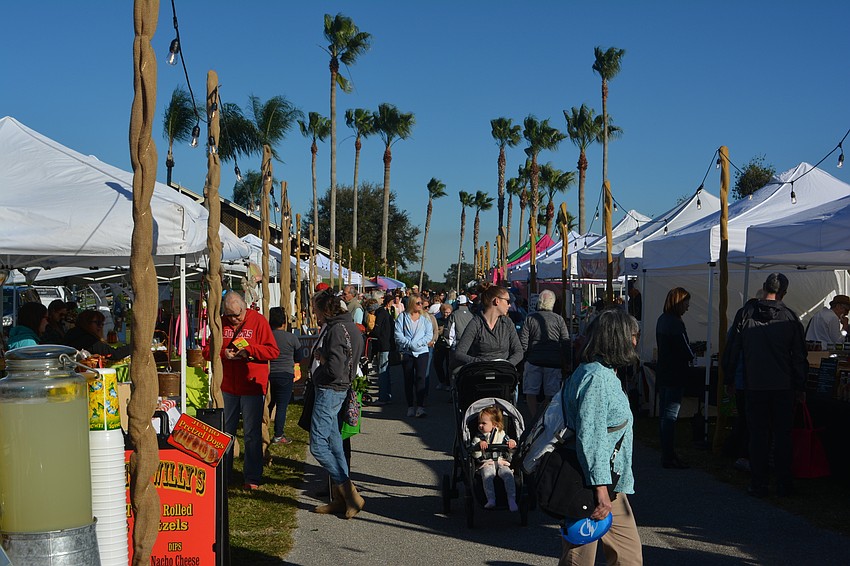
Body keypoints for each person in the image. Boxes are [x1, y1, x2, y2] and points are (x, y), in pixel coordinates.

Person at [560, 308, 642, 566]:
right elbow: (591, 435)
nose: (635, 341)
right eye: (632, 335)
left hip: (608, 482)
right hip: (593, 485)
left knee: (628, 557)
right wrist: (600, 488)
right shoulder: (596, 378)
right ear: (616, 338)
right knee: (579, 559)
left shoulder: (603, 372)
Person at [728, 273, 807, 498]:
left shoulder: (746, 314)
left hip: (755, 385)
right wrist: (801, 387)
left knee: (758, 436)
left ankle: (759, 483)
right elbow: (799, 357)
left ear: (763, 288)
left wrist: (730, 378)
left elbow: (734, 348)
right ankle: (783, 483)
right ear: (784, 293)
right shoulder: (790, 318)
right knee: (782, 436)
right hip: (783, 386)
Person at [203, 291, 279, 490]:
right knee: (226, 432)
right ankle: (224, 475)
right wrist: (223, 353)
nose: (235, 319)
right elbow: (206, 351)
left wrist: (251, 350)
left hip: (252, 386)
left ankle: (252, 478)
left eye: (238, 314)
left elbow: (273, 351)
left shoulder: (259, 321)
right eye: (231, 316)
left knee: (251, 433)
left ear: (245, 308)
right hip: (228, 387)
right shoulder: (220, 323)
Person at [308, 288, 366, 518]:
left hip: (330, 389)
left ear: (324, 310)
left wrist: (321, 359)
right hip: (339, 389)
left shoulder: (336, 330)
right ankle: (341, 499)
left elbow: (334, 368)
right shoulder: (349, 326)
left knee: (318, 445)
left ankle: (349, 493)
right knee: (334, 443)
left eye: (316, 310)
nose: (315, 315)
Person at [655, 287, 694, 469]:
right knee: (670, 415)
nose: (687, 306)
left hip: (664, 372)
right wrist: (692, 355)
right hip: (675, 373)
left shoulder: (662, 320)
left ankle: (666, 453)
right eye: (686, 302)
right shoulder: (675, 323)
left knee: (665, 414)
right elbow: (685, 350)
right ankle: (669, 455)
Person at [519, 289, 571, 419]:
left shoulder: (530, 318)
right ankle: (545, 416)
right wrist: (568, 361)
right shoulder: (559, 319)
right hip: (553, 362)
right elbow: (565, 341)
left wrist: (524, 359)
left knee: (531, 392)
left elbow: (523, 342)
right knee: (551, 393)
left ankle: (534, 417)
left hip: (533, 360)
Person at [454, 284, 523, 367]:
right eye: (507, 301)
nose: (510, 305)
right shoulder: (476, 323)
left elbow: (518, 351)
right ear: (497, 301)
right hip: (481, 373)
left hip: (503, 373)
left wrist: (507, 365)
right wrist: (480, 363)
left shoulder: (507, 323)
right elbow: (459, 353)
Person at [471, 405, 518, 511]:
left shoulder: (502, 434)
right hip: (487, 462)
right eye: (479, 423)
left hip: (502, 462)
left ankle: (511, 499)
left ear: (494, 424)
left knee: (508, 475)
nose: (480, 426)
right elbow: (474, 453)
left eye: (484, 423)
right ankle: (491, 499)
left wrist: (512, 444)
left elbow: (512, 448)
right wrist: (479, 445)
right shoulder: (479, 437)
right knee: (487, 475)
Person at [394, 291, 432, 417]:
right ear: (411, 304)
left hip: (422, 352)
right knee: (408, 379)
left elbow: (429, 335)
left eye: (421, 303)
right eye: (418, 303)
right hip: (408, 352)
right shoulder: (402, 317)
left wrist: (419, 343)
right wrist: (409, 344)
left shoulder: (425, 318)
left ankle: (420, 406)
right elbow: (398, 334)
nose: (421, 305)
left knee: (421, 378)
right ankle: (410, 406)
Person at [268, 307, 302, 445]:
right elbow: (299, 357)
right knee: (281, 406)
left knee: (268, 404)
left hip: (269, 374)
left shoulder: (267, 336)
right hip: (285, 375)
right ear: (284, 321)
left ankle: (260, 429)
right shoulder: (291, 338)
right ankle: (278, 435)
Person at [63, 310, 132, 359]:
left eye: (102, 323)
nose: (100, 326)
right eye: (97, 323)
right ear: (86, 323)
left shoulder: (72, 333)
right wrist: (134, 346)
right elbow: (114, 354)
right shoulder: (87, 339)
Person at [370, 294, 395, 405]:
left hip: (383, 345)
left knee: (382, 371)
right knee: (386, 371)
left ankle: (383, 397)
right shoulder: (387, 313)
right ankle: (387, 395)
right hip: (388, 344)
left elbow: (377, 330)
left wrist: (369, 334)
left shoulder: (380, 313)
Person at [433, 302, 453, 391]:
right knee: (437, 363)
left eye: (448, 313)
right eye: (445, 312)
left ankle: (449, 383)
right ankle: (442, 380)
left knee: (449, 365)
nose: (446, 314)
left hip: (449, 345)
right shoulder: (438, 321)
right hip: (439, 344)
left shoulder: (452, 321)